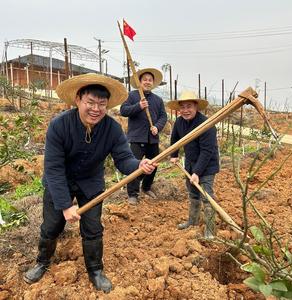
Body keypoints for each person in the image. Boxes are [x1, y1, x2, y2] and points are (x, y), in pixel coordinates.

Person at [23, 73, 156, 292]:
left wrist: (139, 166)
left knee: (93, 228)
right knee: (51, 226)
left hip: (91, 182)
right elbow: (54, 168)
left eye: (102, 104)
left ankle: (95, 270)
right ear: (78, 100)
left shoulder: (112, 129)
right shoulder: (59, 125)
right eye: (91, 103)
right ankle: (42, 262)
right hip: (60, 181)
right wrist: (66, 206)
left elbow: (123, 159)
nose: (96, 109)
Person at [167, 91, 220, 239]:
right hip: (190, 163)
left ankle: (210, 231)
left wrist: (197, 173)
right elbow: (175, 139)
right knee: (193, 194)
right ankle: (192, 221)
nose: (185, 110)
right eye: (182, 107)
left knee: (206, 195)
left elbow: (207, 151)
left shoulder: (206, 124)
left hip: (207, 165)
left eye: (189, 106)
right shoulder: (179, 122)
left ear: (196, 106)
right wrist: (174, 154)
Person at [120, 68, 167, 205]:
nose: (147, 82)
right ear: (139, 82)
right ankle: (133, 194)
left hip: (152, 138)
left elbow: (163, 116)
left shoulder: (157, 100)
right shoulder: (132, 96)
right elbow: (124, 111)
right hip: (137, 137)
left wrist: (157, 127)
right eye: (145, 79)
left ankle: (146, 187)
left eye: (150, 80)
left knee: (153, 165)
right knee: (135, 165)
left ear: (153, 83)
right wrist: (139, 106)